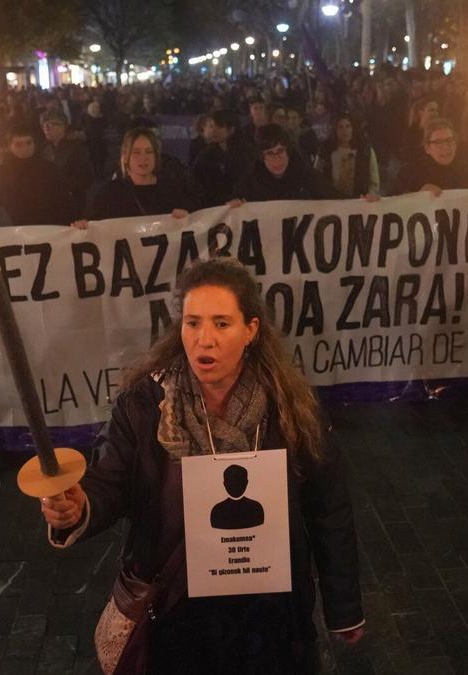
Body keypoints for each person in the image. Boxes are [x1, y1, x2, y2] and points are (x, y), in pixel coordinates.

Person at [40, 257, 364, 671]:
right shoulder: (143, 404)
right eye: (192, 323)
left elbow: (328, 508)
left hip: (269, 616)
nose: (204, 339)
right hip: (177, 616)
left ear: (251, 330)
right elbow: (109, 482)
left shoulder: (291, 408)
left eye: (221, 324)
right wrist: (77, 507)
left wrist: (344, 606)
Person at [79, 128, 196, 224]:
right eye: (136, 152)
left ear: (156, 156)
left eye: (149, 152)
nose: (143, 158)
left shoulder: (174, 191)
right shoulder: (109, 194)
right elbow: (93, 229)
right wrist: (83, 228)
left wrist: (187, 219)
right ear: (125, 157)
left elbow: (195, 226)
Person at [231, 125, 338, 204]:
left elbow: (337, 200)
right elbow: (235, 202)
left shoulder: (307, 175)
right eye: (269, 153)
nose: (276, 158)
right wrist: (235, 206)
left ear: (288, 151)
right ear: (261, 157)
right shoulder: (251, 180)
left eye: (280, 151)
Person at [388, 118, 468, 196]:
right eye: (438, 142)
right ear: (427, 148)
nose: (445, 147)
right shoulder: (409, 174)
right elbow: (390, 206)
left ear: (456, 144)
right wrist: (418, 197)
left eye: (449, 140)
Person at [0, 123, 68, 226]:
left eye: (29, 143)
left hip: (47, 227)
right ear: (10, 147)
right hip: (14, 229)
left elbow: (62, 198)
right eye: (18, 144)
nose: (25, 148)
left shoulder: (49, 169)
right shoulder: (1, 173)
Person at [191, 110, 251, 207]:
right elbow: (196, 182)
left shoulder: (247, 153)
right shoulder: (206, 155)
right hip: (214, 210)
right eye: (213, 126)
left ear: (231, 129)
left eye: (219, 127)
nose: (214, 130)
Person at [40, 111, 94, 217]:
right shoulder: (45, 150)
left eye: (50, 124)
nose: (46, 129)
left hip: (72, 202)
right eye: (43, 125)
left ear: (62, 127)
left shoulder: (76, 148)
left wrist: (62, 186)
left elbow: (87, 179)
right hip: (52, 203)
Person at [315, 114, 380, 198]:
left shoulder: (365, 150)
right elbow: (316, 175)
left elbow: (374, 179)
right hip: (332, 200)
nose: (344, 131)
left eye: (348, 126)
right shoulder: (325, 150)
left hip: (359, 200)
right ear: (335, 130)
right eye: (340, 127)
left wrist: (371, 194)